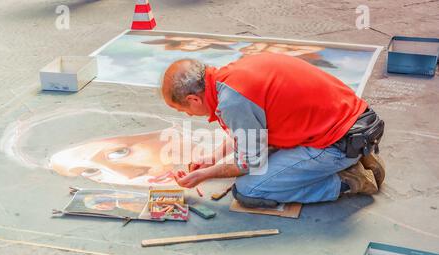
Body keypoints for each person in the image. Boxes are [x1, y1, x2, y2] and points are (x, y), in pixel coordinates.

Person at [161, 53, 385, 207]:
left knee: (249, 190)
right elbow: (249, 132)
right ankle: (349, 160)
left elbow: (248, 163)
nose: (187, 115)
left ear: (193, 99)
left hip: (338, 143)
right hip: (352, 123)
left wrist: (204, 175)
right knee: (265, 158)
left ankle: (349, 179)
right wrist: (212, 158)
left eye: (182, 109)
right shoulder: (230, 78)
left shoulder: (232, 102)